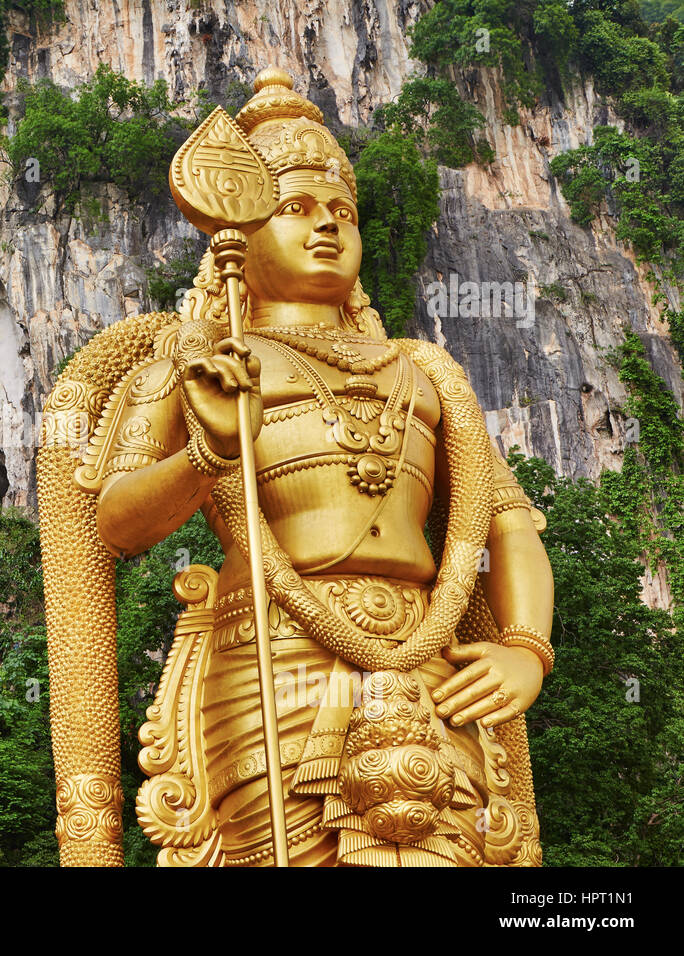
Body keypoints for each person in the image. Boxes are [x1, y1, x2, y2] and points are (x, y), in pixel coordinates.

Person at [39, 68, 554, 868]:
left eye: (341, 211)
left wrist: (525, 644)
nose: (325, 228)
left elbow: (504, 519)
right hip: (268, 655)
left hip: (426, 659)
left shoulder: (425, 372)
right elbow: (117, 523)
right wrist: (206, 452)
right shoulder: (196, 362)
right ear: (237, 233)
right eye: (296, 208)